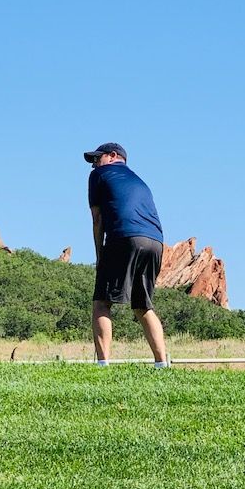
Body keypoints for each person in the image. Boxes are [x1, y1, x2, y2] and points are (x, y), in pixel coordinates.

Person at [84, 142, 167, 368]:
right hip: (155, 242)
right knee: (143, 305)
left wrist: (100, 256)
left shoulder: (100, 175)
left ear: (112, 156)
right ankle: (162, 365)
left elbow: (97, 219)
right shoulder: (140, 180)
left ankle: (103, 365)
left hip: (124, 236)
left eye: (96, 159)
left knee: (102, 302)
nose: (93, 165)